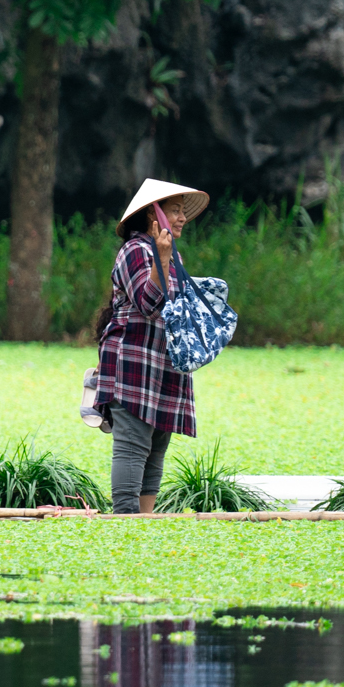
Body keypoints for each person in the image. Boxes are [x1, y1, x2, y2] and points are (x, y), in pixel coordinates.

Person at [95, 177, 208, 514]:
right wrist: (161, 257)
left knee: (157, 447)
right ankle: (126, 519)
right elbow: (148, 301)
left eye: (182, 212)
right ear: (152, 214)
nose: (182, 217)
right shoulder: (135, 250)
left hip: (165, 363)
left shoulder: (174, 256)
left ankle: (146, 522)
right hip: (133, 362)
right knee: (132, 445)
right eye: (174, 210)